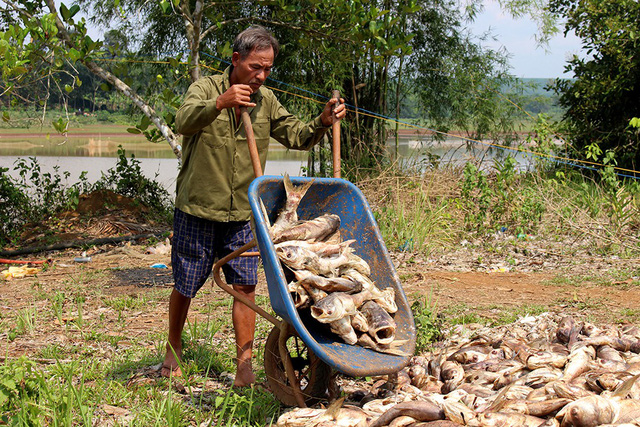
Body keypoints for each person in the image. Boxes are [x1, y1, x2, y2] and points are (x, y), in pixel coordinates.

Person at [162, 25, 346, 386]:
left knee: (245, 287)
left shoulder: (267, 101)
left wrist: (322, 122)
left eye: (267, 69)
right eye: (254, 67)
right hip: (199, 207)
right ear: (236, 60)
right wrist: (220, 103)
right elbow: (182, 122)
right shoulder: (206, 89)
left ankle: (244, 365)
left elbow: (296, 134)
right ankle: (173, 347)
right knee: (185, 284)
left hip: (245, 213)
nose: (261, 76)